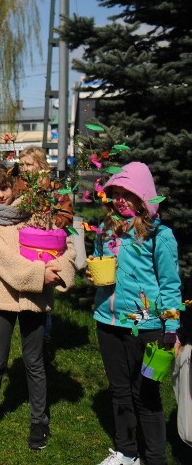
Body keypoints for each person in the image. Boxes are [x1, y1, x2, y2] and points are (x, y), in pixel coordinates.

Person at [0, 162, 76, 450]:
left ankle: (39, 421)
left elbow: (61, 244)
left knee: (34, 361)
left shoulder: (33, 211)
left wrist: (60, 269)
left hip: (34, 298)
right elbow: (3, 259)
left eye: (4, 188)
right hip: (2, 296)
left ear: (13, 185)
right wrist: (40, 275)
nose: (1, 195)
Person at [91, 162, 181, 465]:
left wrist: (171, 326)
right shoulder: (106, 230)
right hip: (108, 322)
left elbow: (170, 285)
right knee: (119, 392)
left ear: (142, 196)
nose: (119, 199)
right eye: (115, 193)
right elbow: (100, 264)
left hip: (147, 328)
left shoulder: (160, 236)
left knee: (147, 394)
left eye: (126, 193)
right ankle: (126, 453)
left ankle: (154, 457)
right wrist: (95, 273)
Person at [15, 145, 74, 363]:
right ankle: (29, 341)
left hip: (45, 246)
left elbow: (66, 214)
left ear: (40, 165)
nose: (23, 168)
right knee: (26, 292)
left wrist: (47, 223)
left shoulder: (53, 187)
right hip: (23, 246)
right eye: (21, 164)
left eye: (28, 164)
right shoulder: (18, 184)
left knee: (43, 296)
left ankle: (44, 343)